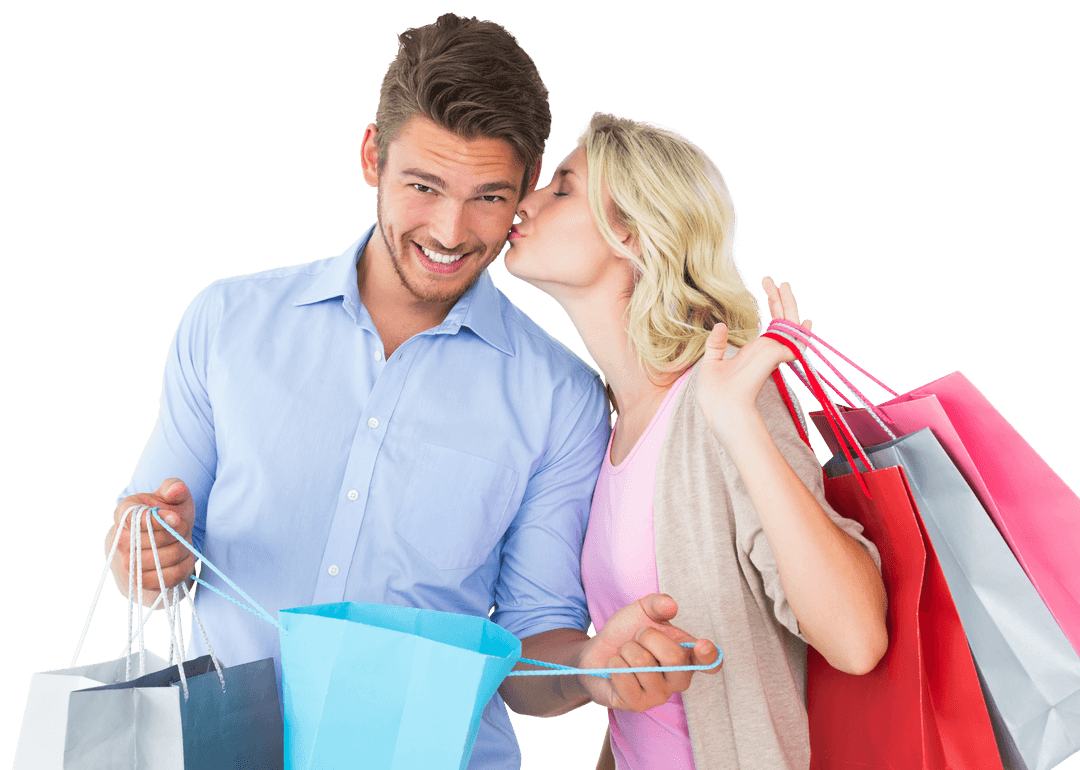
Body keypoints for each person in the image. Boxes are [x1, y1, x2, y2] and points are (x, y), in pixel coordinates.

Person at [101, 15, 719, 770]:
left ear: (525, 190)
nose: (451, 231)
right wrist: (146, 549)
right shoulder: (227, 323)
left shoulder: (562, 397)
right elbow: (139, 541)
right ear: (371, 156)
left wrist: (591, 667)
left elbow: (529, 654)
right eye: (423, 186)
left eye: (489, 196)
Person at [504, 112, 889, 769]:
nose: (525, 200)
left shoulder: (723, 401)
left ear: (632, 233)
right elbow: (543, 658)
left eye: (562, 187)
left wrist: (738, 419)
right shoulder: (596, 423)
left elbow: (855, 640)